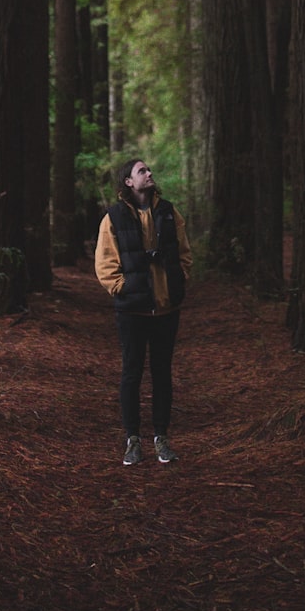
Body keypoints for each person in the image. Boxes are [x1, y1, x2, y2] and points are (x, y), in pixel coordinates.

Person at [94, 158, 193, 466]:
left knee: (162, 373)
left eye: (149, 170)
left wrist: (177, 282)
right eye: (142, 171)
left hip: (166, 309)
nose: (149, 174)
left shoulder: (168, 211)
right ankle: (132, 439)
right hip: (132, 312)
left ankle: (161, 438)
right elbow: (104, 263)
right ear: (128, 181)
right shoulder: (113, 217)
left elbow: (184, 254)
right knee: (131, 373)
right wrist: (122, 288)